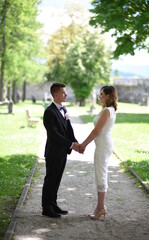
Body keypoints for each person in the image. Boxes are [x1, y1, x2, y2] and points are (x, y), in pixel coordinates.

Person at [79, 85, 117, 220]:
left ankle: (101, 207)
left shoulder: (107, 111)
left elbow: (96, 131)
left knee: (101, 174)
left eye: (102, 94)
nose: (99, 96)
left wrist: (83, 144)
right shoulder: (109, 110)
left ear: (108, 95)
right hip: (104, 144)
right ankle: (99, 207)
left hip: (103, 144)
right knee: (101, 173)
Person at [42, 82, 79, 218]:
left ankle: (53, 204)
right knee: (50, 179)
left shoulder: (63, 109)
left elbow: (68, 129)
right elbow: (54, 134)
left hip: (62, 152)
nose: (66, 94)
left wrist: (75, 142)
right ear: (56, 94)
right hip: (53, 152)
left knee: (57, 179)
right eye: (64, 92)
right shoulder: (49, 112)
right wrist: (71, 145)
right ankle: (46, 208)